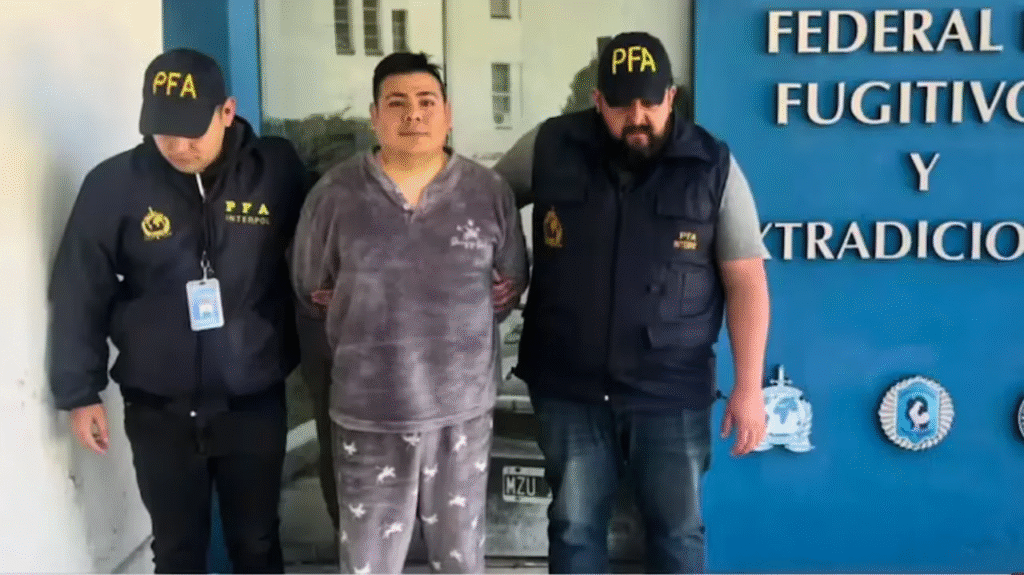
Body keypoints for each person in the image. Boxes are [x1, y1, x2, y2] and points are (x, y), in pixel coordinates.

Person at [493, 31, 771, 574]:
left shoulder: (712, 165)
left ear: (671, 97)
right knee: (574, 529)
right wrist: (510, 267)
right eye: (621, 105)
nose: (637, 117)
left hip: (671, 391)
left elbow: (747, 281)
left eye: (650, 102)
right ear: (598, 101)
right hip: (569, 387)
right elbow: (480, 205)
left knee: (677, 533)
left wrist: (749, 387)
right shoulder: (550, 147)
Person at [48, 48, 308, 574]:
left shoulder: (274, 172)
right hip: (158, 407)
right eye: (164, 132)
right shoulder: (114, 185)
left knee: (257, 542)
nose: (179, 147)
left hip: (252, 399)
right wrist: (79, 392)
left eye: (192, 132)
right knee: (176, 549)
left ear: (227, 112)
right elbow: (79, 288)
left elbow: (327, 244)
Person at [290, 52, 528, 574]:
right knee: (369, 562)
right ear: (375, 117)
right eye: (397, 103)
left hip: (461, 412)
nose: (414, 114)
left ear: (448, 114)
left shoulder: (487, 193)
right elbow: (311, 289)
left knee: (461, 560)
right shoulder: (334, 196)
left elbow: (510, 285)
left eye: (426, 102)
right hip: (368, 414)